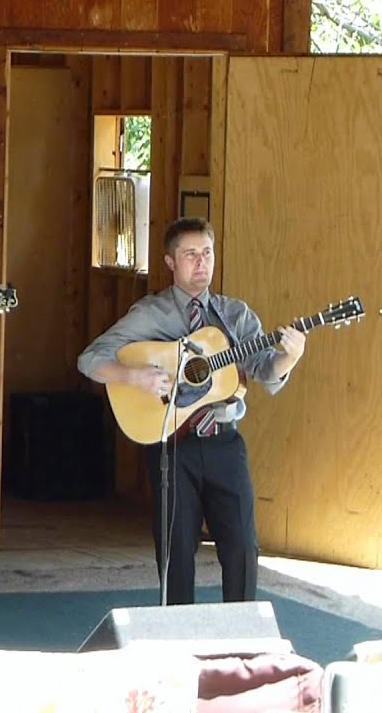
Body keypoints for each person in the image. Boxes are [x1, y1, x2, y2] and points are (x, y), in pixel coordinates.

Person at [77, 216, 306, 604]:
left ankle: (243, 640)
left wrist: (290, 358)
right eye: (190, 255)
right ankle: (177, 639)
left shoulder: (235, 316)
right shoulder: (152, 314)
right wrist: (134, 377)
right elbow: (90, 358)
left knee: (242, 549)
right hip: (172, 447)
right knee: (175, 553)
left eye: (207, 253)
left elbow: (265, 371)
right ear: (170, 262)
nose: (201, 263)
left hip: (224, 444)